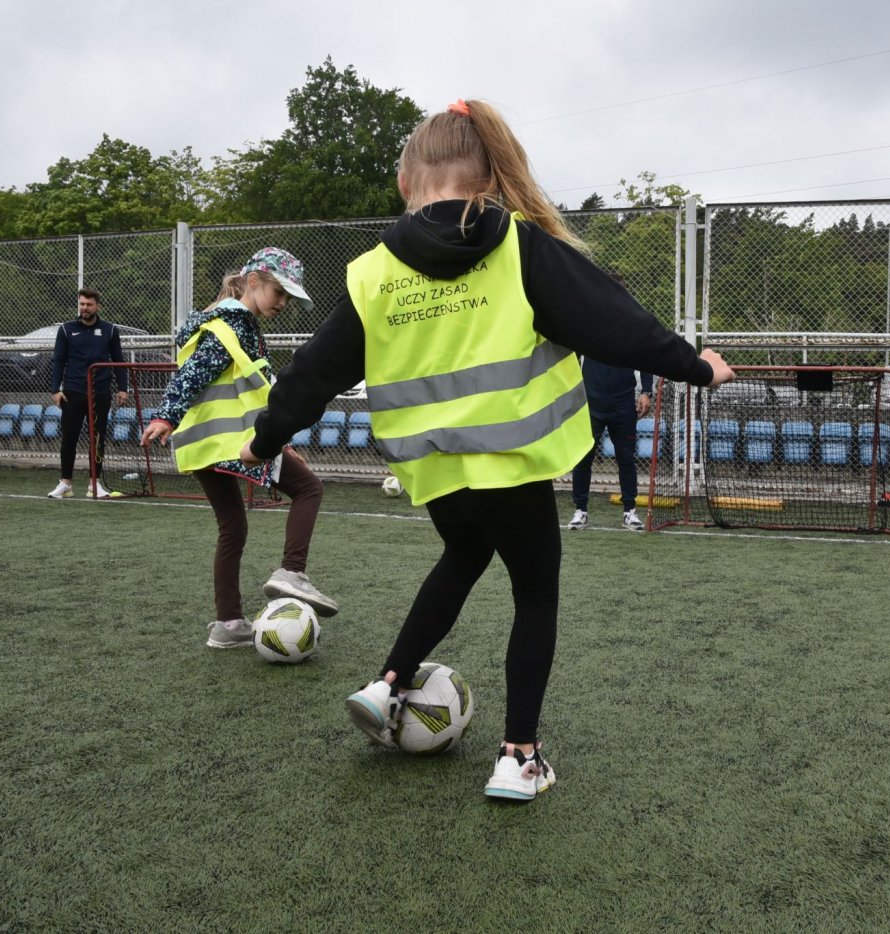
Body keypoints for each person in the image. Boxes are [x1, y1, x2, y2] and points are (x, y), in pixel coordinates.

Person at [239, 98, 734, 802]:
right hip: (509, 458)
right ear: (492, 176)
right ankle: (519, 757)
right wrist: (698, 366)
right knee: (535, 591)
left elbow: (314, 372)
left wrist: (265, 437)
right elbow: (614, 325)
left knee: (465, 553)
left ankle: (388, 685)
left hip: (432, 466)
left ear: (410, 179)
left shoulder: (373, 273)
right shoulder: (520, 247)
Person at [141, 247, 338, 650]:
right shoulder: (232, 325)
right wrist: (166, 414)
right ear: (253, 282)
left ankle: (228, 624)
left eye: (289, 297)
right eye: (278, 292)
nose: (283, 303)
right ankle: (292, 572)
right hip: (233, 443)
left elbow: (249, 392)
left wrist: (277, 440)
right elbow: (193, 375)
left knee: (233, 527)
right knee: (309, 490)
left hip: (205, 445)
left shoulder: (222, 323)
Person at [567, 271, 655, 532]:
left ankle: (630, 511)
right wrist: (571, 391)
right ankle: (580, 511)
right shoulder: (587, 324)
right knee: (583, 458)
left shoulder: (633, 323)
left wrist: (646, 392)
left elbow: (645, 358)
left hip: (622, 404)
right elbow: (572, 358)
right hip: (591, 403)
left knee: (626, 458)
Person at [47, 288, 129, 498]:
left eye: (89, 305)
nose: (85, 308)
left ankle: (95, 484)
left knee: (98, 438)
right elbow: (58, 360)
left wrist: (122, 387)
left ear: (97, 306)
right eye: (82, 304)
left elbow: (119, 359)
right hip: (73, 392)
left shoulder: (110, 330)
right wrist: (56, 389)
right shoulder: (66, 330)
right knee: (69, 438)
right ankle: (65, 484)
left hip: (100, 392)